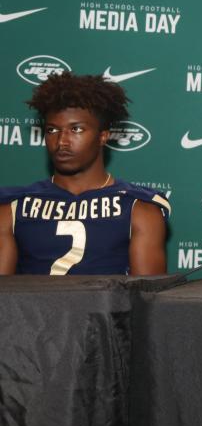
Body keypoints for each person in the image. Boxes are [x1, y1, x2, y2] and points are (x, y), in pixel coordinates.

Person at [0, 72, 169, 275]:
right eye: (52, 130)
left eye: (76, 129)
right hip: (29, 308)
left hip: (108, 309)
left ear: (103, 136)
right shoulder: (12, 208)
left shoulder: (138, 209)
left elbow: (147, 301)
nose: (62, 141)